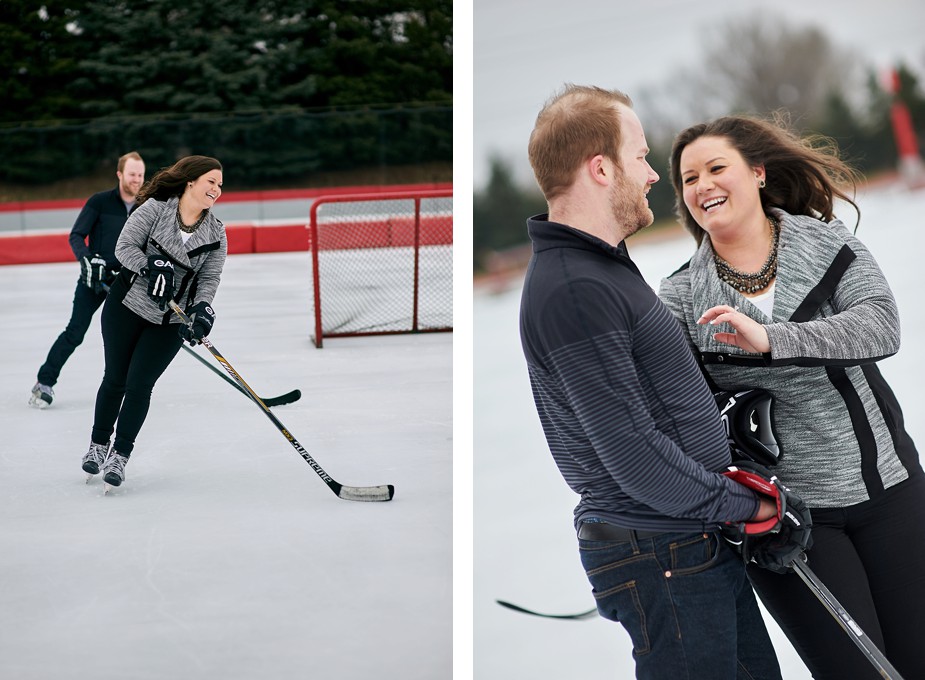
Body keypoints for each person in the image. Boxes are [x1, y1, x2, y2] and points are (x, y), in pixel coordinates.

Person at [519, 84, 800, 679]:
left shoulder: (599, 268)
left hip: (683, 543)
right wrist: (750, 506)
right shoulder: (576, 289)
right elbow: (634, 457)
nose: (652, 174)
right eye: (640, 156)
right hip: (660, 554)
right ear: (601, 168)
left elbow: (644, 410)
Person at [658, 114, 925, 679]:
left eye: (715, 167)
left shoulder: (826, 243)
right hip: (792, 523)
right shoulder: (680, 296)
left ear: (756, 173)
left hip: (891, 494)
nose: (702, 184)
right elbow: (679, 415)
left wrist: (772, 339)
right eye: (688, 178)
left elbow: (882, 326)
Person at [81, 155, 226, 491]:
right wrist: (150, 266)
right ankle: (98, 445)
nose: (217, 189)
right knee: (116, 379)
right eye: (211, 181)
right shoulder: (155, 209)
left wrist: (202, 309)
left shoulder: (216, 233)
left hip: (168, 321)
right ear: (190, 181)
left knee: (139, 385)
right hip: (126, 307)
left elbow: (210, 277)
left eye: (220, 184)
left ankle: (119, 456)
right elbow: (123, 247)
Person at [29, 151, 146, 408]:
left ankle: (127, 385)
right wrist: (87, 260)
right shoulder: (100, 202)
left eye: (140, 175)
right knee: (75, 332)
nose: (137, 180)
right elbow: (76, 235)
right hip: (94, 279)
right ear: (119, 174)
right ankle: (44, 382)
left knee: (129, 334)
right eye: (132, 174)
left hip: (125, 283)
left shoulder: (146, 206)